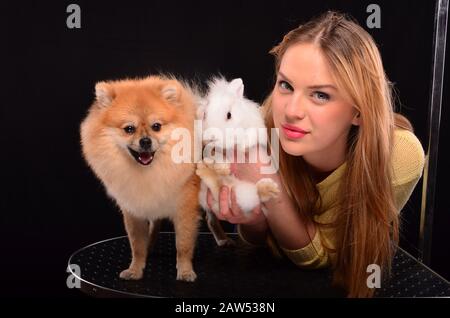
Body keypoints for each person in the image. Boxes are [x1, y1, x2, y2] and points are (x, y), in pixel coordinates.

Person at [205, 11, 425, 297]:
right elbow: (257, 244)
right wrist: (254, 218)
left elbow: (322, 255)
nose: (292, 111)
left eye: (320, 95)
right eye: (286, 85)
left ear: (358, 110)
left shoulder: (401, 155)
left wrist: (267, 181)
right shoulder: (257, 127)